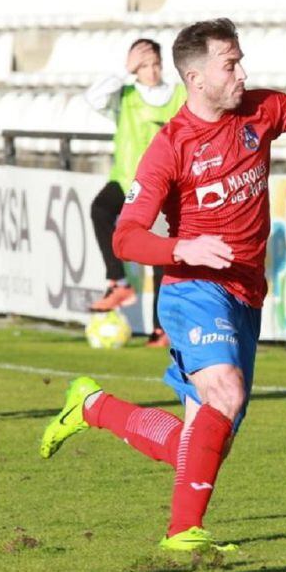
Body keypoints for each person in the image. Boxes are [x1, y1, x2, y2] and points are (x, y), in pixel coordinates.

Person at [39, 18, 286, 552]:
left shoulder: (259, 110)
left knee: (200, 442)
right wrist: (183, 248)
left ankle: (92, 406)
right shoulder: (170, 147)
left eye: (241, 59)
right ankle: (183, 536)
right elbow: (127, 237)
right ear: (196, 79)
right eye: (231, 64)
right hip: (193, 289)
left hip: (246, 293)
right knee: (225, 390)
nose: (243, 72)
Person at [85, 39, 186, 347]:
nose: (151, 70)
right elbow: (92, 98)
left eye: (155, 63)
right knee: (100, 209)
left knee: (158, 256)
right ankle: (119, 281)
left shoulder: (178, 95)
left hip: (163, 188)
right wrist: (123, 70)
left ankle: (161, 327)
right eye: (143, 65)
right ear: (133, 68)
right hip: (127, 181)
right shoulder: (125, 95)